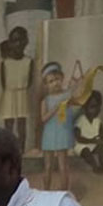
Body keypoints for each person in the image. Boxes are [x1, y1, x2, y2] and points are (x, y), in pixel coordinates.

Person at [39, 61, 81, 192]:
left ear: (62, 78)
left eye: (57, 79)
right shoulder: (45, 100)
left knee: (63, 166)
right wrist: (56, 108)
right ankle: (46, 192)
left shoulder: (67, 96)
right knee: (48, 166)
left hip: (63, 132)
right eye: (51, 81)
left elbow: (76, 106)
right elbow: (43, 119)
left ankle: (64, 192)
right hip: (49, 134)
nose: (55, 83)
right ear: (46, 84)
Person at [0, 26, 33, 152]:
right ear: (10, 43)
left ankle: (21, 151)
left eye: (21, 40)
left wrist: (20, 89)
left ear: (26, 41)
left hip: (22, 94)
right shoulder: (5, 63)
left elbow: (29, 81)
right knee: (8, 124)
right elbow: (3, 83)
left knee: (22, 125)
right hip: (9, 94)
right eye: (14, 41)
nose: (18, 44)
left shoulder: (28, 61)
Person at [73, 90, 103, 174]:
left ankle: (102, 166)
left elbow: (102, 132)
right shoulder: (81, 120)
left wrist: (100, 139)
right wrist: (92, 140)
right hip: (81, 145)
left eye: (98, 107)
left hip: (94, 144)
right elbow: (78, 138)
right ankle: (94, 166)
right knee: (86, 151)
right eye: (92, 107)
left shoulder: (97, 121)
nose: (95, 110)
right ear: (85, 107)